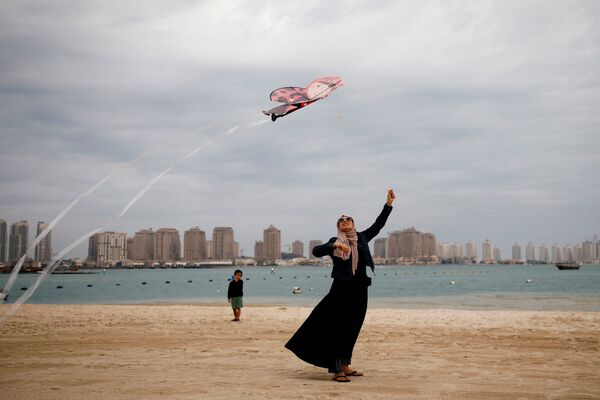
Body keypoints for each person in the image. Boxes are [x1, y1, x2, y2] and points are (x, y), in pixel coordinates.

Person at [285, 189, 396, 382]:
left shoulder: (362, 238)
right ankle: (336, 369)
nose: (345, 221)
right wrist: (335, 246)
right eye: (342, 220)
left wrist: (388, 205)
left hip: (360, 288)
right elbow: (316, 251)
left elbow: (379, 225)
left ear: (353, 224)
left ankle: (346, 364)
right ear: (338, 226)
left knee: (353, 327)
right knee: (337, 328)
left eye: (348, 220)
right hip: (340, 290)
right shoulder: (334, 241)